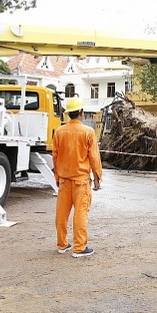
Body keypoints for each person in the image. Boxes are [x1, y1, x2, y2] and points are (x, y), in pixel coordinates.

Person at [52, 97, 102, 258]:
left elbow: (55, 156)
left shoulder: (60, 131)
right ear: (81, 113)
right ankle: (79, 247)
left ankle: (62, 244)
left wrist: (57, 177)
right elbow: (94, 157)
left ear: (68, 114)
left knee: (62, 213)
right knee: (80, 213)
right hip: (81, 181)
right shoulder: (88, 132)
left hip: (65, 180)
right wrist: (97, 177)